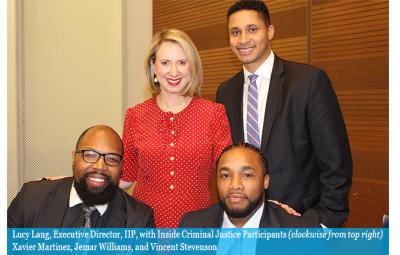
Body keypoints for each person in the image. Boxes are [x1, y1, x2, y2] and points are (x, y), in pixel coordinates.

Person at [215, 0, 352, 227]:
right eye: (235, 32)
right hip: (245, 223)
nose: (243, 40)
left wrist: (324, 222)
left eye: (252, 29)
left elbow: (336, 162)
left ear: (269, 31)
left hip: (301, 221)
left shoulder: (308, 82)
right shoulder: (225, 91)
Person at [119, 29, 232, 228]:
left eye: (182, 62)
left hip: (196, 226)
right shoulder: (135, 115)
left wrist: (265, 202)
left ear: (193, 67)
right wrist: (79, 181)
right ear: (153, 67)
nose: (174, 72)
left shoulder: (213, 114)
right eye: (165, 63)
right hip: (145, 225)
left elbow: (231, 174)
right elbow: (125, 178)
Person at [8, 125, 155, 228]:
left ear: (121, 166)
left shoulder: (139, 220)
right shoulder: (31, 199)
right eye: (90, 155)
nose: (100, 166)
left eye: (111, 159)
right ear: (74, 157)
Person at [179, 143, 320, 228]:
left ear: (266, 181)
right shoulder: (192, 225)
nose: (235, 185)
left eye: (247, 175)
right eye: (225, 175)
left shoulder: (301, 232)